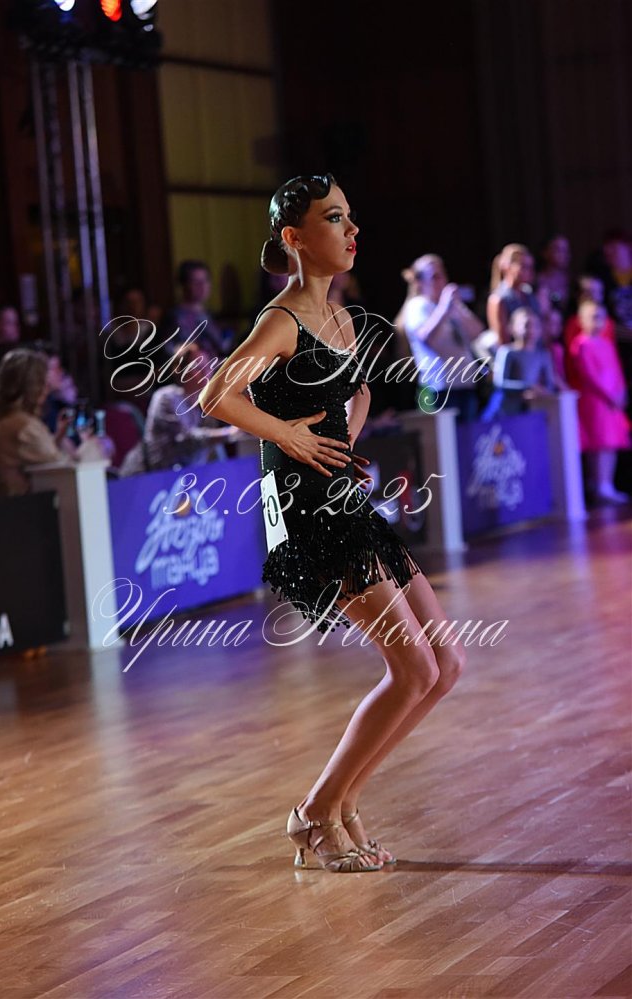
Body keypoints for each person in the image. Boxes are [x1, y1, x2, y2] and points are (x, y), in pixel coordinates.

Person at [197, 174, 465, 874]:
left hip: (343, 501)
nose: (352, 230)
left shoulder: (342, 318)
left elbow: (361, 386)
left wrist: (343, 443)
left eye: (350, 217)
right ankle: (317, 811)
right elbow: (216, 394)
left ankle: (339, 801)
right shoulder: (282, 319)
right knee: (412, 668)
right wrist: (289, 435)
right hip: (308, 514)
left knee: (444, 666)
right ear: (294, 237)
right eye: (335, 218)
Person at [119, 341, 242, 475]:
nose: (205, 372)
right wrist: (229, 433)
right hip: (144, 478)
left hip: (178, 478)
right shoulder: (166, 397)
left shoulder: (205, 407)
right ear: (179, 369)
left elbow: (211, 451)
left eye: (208, 366)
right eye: (197, 367)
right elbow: (184, 439)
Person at [396, 254, 486, 422]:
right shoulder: (418, 305)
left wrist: (456, 307)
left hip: (464, 385)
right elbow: (426, 338)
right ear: (421, 282)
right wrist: (444, 308)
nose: (441, 281)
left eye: (442, 274)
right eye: (434, 277)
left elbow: (477, 332)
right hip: (438, 389)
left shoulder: (450, 305)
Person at [0, 349, 77, 498]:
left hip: (1, 505)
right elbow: (64, 467)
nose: (47, 389)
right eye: (42, 382)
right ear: (31, 386)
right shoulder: (24, 426)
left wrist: (57, 439)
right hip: (19, 507)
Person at [567, 301, 630, 505]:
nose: (598, 322)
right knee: (599, 443)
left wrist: (621, 392)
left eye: (601, 317)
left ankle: (607, 484)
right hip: (596, 401)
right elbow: (589, 375)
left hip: (612, 402)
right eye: (593, 317)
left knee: (611, 443)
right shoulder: (581, 344)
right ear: (582, 320)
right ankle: (598, 485)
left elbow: (617, 370)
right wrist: (608, 395)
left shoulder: (607, 343)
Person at [161, 260, 228, 360]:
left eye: (205, 280)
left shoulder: (210, 314)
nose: (202, 286)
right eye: (195, 282)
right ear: (184, 285)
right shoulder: (175, 317)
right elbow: (169, 350)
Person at [487, 243, 543, 345]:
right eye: (524, 266)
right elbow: (502, 341)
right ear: (508, 267)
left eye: (530, 267)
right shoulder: (498, 299)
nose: (529, 272)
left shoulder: (530, 296)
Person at [537, 234, 572, 314]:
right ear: (545, 253)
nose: (563, 255)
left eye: (565, 251)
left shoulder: (571, 282)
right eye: (558, 250)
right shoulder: (536, 280)